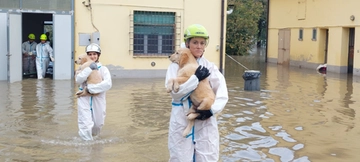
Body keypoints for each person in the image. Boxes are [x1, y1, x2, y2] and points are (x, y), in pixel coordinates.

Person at [165, 24, 229, 161]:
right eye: (195, 42)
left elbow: (222, 94)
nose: (199, 46)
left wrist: (211, 111)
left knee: (207, 157)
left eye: (202, 43)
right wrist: (195, 79)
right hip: (182, 119)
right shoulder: (175, 66)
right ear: (187, 44)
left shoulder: (209, 67)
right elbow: (176, 94)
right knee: (180, 156)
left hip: (205, 121)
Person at [75, 43, 112, 141]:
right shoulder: (81, 68)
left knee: (98, 124)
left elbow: (107, 84)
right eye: (90, 54)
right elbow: (78, 80)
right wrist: (88, 69)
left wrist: (90, 89)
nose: (92, 56)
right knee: (85, 124)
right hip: (83, 98)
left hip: (98, 99)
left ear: (98, 55)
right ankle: (86, 148)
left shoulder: (103, 69)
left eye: (94, 54)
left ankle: (95, 148)